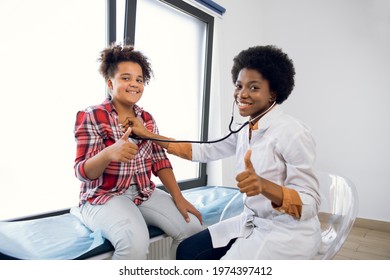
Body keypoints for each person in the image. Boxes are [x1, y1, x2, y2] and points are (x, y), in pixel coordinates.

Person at [123, 45, 322, 259]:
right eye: (239, 86)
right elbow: (204, 151)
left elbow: (310, 203)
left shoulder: (292, 131)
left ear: (273, 93)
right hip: (252, 222)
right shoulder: (246, 128)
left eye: (254, 88)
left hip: (285, 234)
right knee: (187, 251)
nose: (242, 94)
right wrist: (147, 134)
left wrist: (265, 186)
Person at [73, 44, 203, 260]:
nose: (134, 84)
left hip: (144, 192)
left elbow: (160, 161)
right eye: (126, 78)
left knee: (194, 230)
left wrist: (178, 197)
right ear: (110, 83)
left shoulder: (147, 119)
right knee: (134, 244)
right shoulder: (91, 116)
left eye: (139, 79)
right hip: (103, 196)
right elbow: (82, 172)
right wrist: (108, 154)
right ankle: (81, 213)